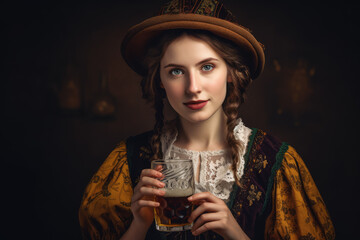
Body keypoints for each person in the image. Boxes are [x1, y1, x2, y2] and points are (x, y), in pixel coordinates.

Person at [78, 0, 335, 239]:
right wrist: (140, 223)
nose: (193, 87)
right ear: (160, 81)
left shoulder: (277, 163)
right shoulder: (128, 159)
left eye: (207, 67)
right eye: (176, 71)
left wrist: (235, 233)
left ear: (231, 72)